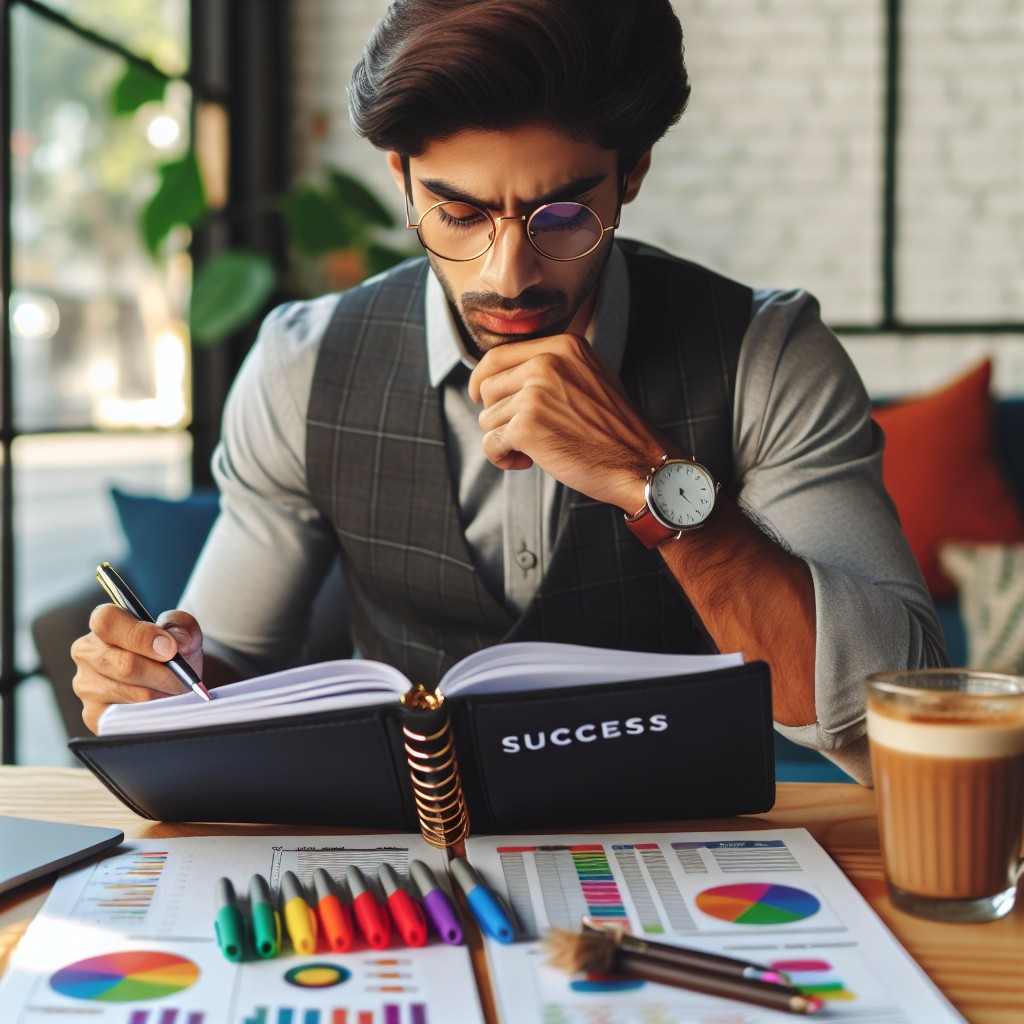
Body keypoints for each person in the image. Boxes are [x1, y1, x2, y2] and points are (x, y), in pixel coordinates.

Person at [71, 0, 946, 783]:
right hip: (414, 867)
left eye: (561, 217)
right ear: (400, 178)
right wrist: (157, 686)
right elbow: (225, 679)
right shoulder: (301, 364)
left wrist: (654, 481)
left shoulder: (768, 354)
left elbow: (895, 718)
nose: (510, 274)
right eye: (458, 215)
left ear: (632, 173)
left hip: (693, 857)